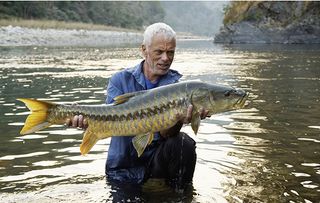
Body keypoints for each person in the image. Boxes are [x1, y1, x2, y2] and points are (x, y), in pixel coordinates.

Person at [67, 22, 209, 190]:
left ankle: (177, 193)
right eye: (159, 52)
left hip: (156, 165)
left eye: (170, 52)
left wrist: (179, 119)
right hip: (122, 168)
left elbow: (166, 134)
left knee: (183, 142)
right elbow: (108, 116)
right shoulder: (120, 80)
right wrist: (85, 122)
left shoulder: (175, 88)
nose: (165, 58)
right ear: (144, 50)